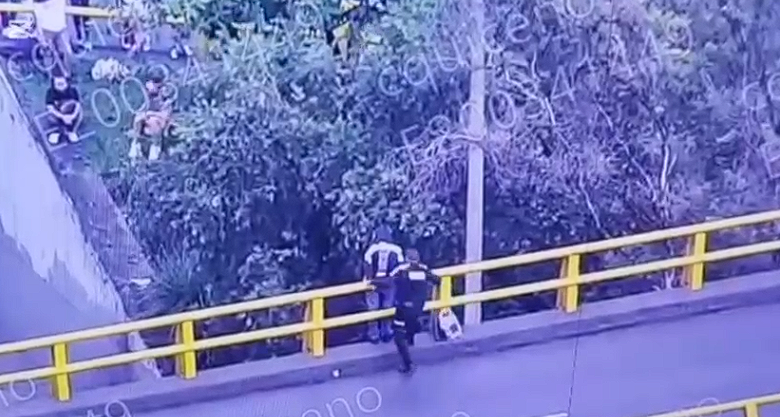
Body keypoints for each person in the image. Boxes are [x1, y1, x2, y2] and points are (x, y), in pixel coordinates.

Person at [385, 248, 440, 374]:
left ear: (406, 258)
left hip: (403, 306)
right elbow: (437, 280)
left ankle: (407, 364)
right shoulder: (424, 269)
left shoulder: (402, 269)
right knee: (411, 323)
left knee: (398, 334)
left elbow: (388, 280)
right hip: (418, 307)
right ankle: (412, 336)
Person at [362, 224, 403, 343]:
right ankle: (387, 332)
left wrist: (369, 280)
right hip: (390, 281)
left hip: (373, 281)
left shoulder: (371, 250)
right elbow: (400, 268)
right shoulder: (397, 249)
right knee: (388, 307)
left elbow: (367, 266)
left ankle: (373, 334)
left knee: (372, 308)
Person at [129, 70, 173, 160]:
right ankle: (136, 145)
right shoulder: (148, 96)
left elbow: (165, 115)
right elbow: (141, 110)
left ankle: (155, 149)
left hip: (159, 119)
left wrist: (151, 114)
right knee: (138, 119)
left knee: (154, 123)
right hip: (148, 116)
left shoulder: (166, 98)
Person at [32, 0, 71, 75]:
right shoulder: (39, 4)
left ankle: (66, 73)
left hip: (59, 29)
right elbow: (38, 17)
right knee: (49, 54)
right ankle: (51, 75)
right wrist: (40, 35)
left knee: (63, 52)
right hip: (47, 29)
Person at [44, 69, 81, 144]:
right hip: (58, 114)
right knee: (51, 118)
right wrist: (63, 117)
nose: (60, 87)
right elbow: (50, 108)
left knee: (80, 114)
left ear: (67, 83)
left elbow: (78, 105)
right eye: (57, 84)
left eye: (62, 84)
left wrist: (72, 116)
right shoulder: (50, 92)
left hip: (71, 114)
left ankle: (71, 132)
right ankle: (56, 132)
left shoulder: (73, 91)